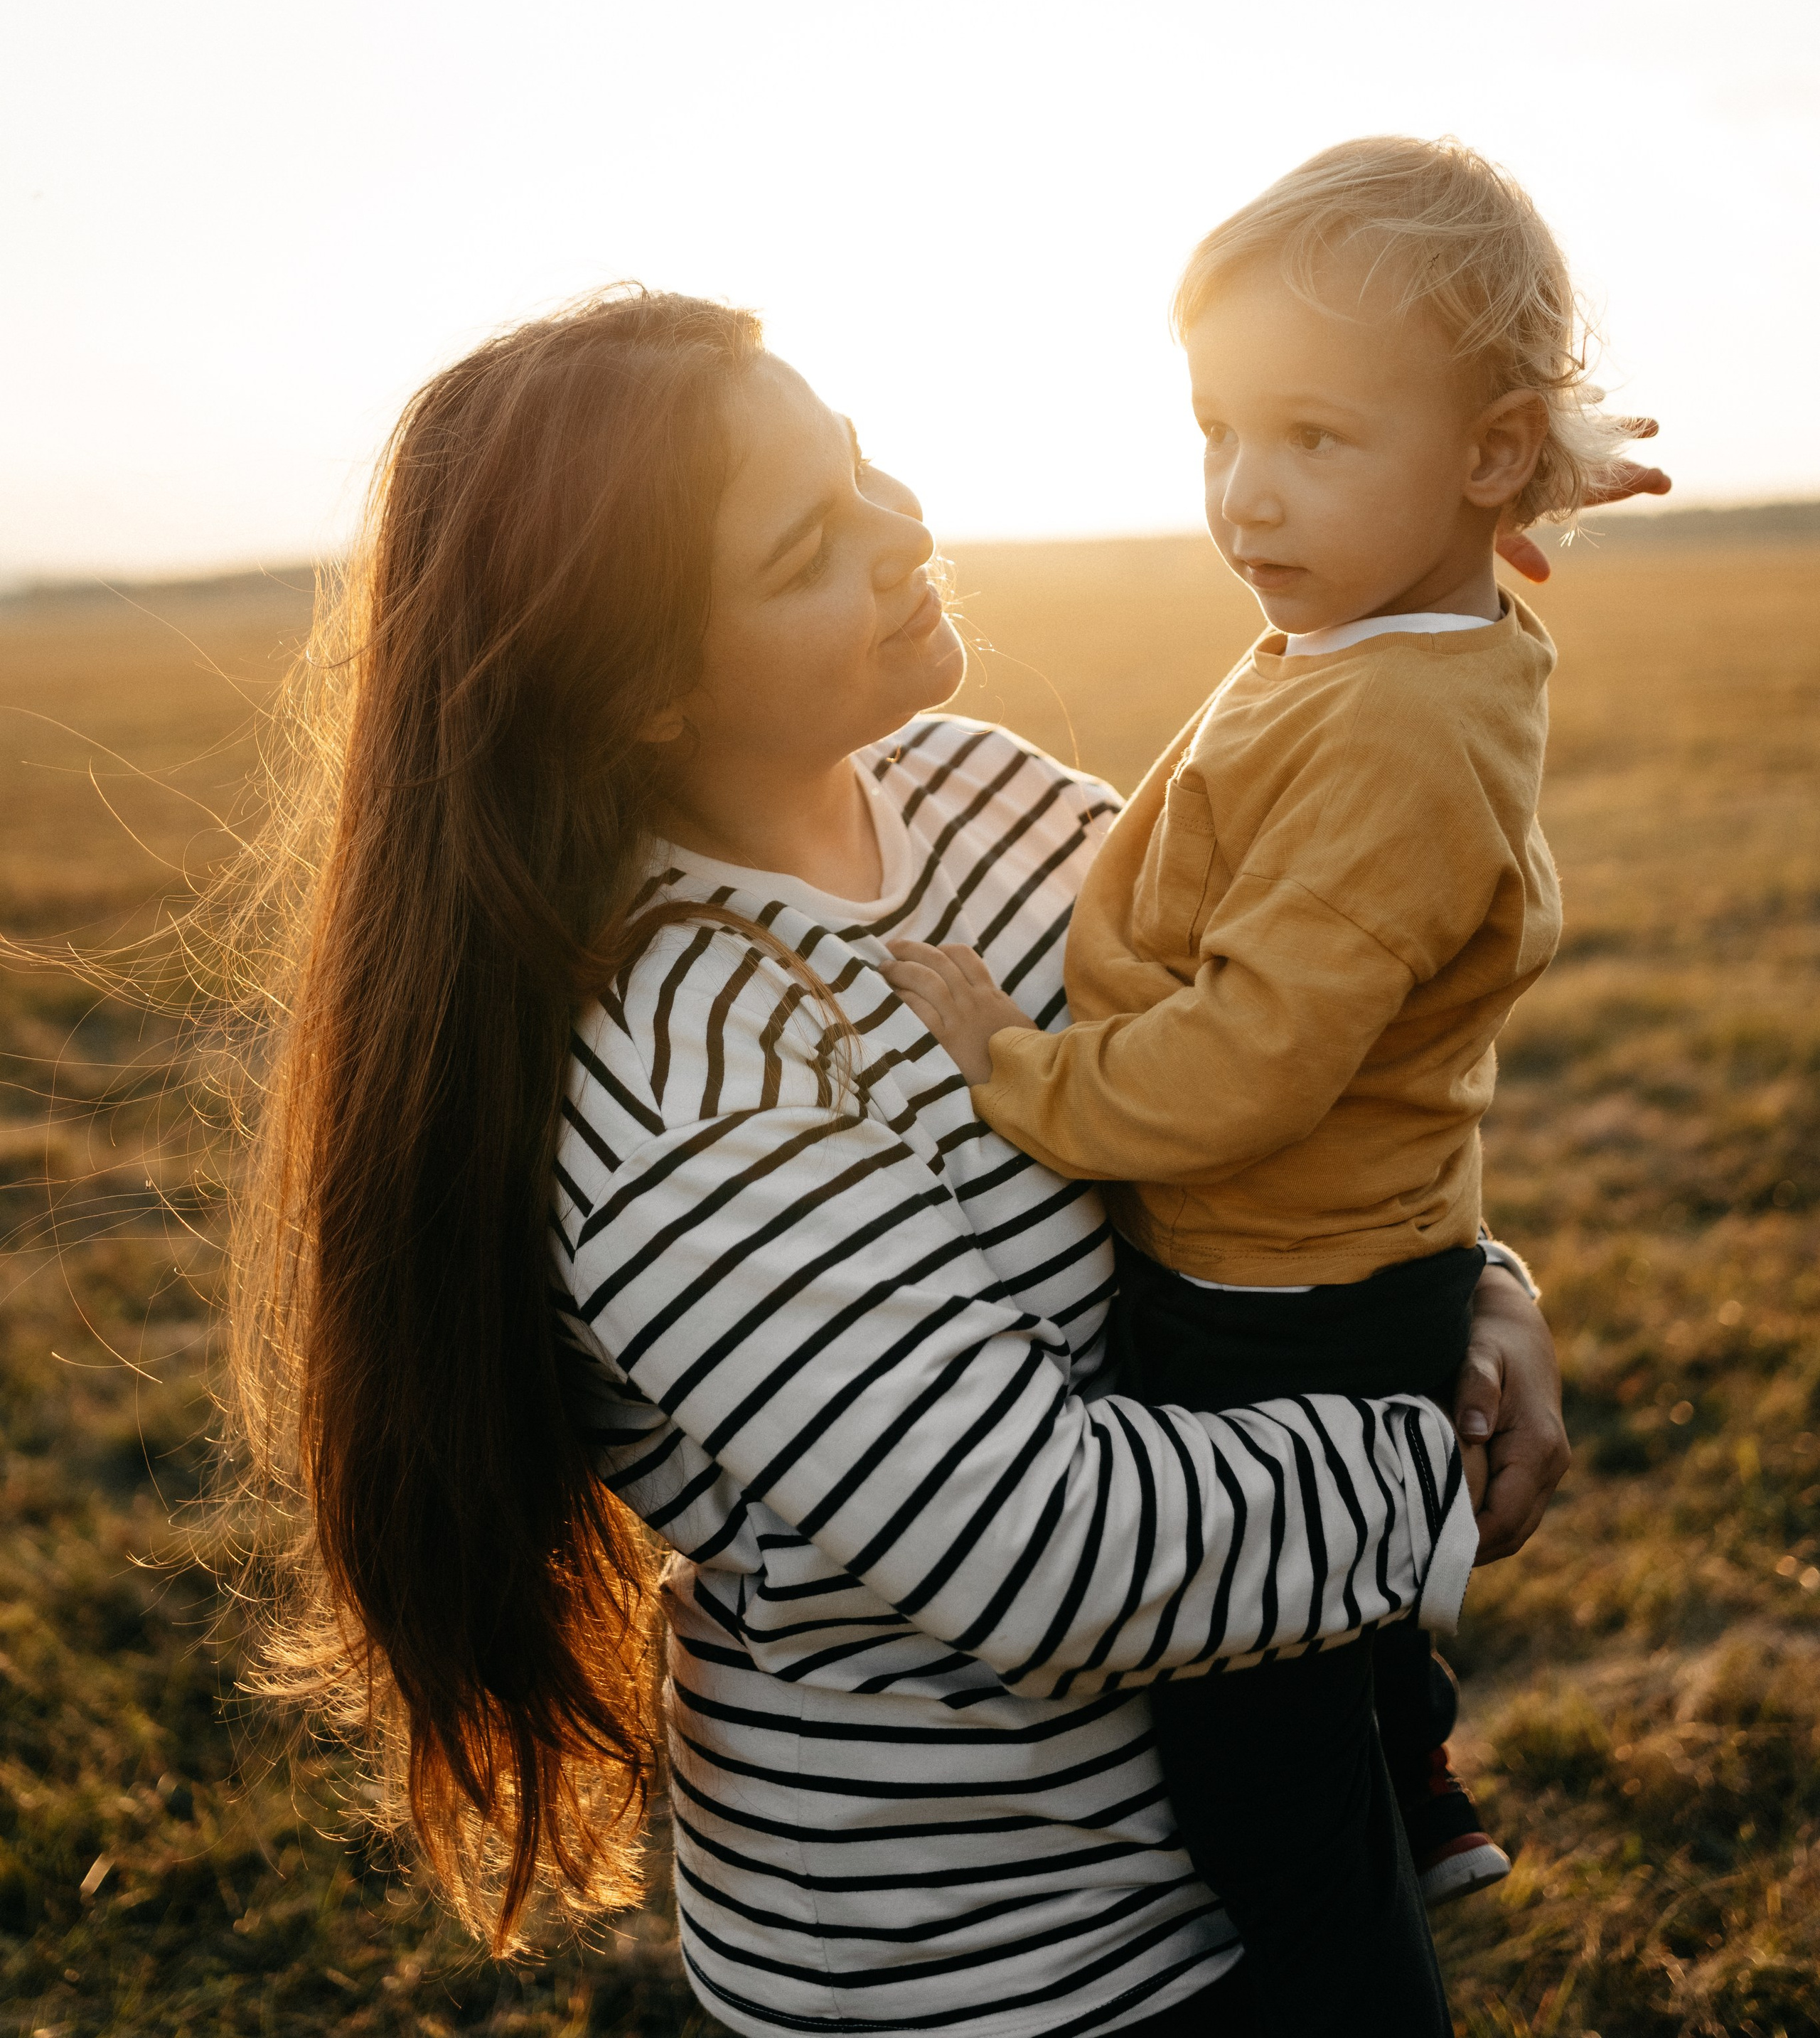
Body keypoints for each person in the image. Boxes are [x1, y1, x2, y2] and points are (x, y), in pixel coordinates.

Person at [230, 283, 1584, 2038]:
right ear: (639, 689)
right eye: (808, 543)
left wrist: (1469, 1282)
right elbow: (1052, 1555)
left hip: (1271, 1836)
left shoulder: (966, 791)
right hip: (998, 1961)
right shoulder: (683, 1081)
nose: (902, 529)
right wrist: (1431, 1454)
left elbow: (1278, 1074)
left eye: (859, 463)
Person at [887, 137, 1649, 2036]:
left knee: (1248, 1735)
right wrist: (1492, 477)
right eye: (1220, 431)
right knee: (1337, 1650)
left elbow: (1251, 1061)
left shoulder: (1394, 721)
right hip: (1350, 1254)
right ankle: (1415, 1762)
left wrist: (1018, 1070)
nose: (1246, 495)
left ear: (1480, 461)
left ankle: (1365, 1952)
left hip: (1268, 1283)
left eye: (1316, 438)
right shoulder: (1392, 637)